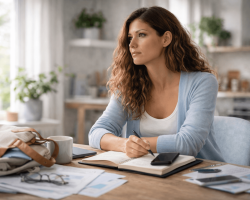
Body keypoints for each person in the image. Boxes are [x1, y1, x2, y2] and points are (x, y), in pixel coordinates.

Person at [88, 6, 225, 162]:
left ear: (166, 39)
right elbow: (96, 133)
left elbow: (188, 143)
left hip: (198, 176)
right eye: (130, 37)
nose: (132, 44)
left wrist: (140, 144)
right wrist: (125, 144)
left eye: (141, 35)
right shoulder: (128, 84)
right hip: (148, 174)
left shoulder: (202, 82)